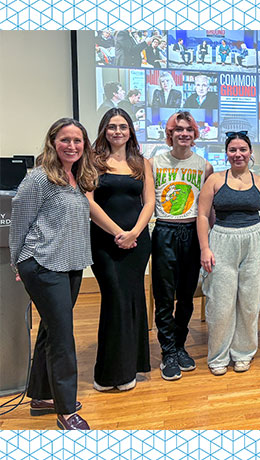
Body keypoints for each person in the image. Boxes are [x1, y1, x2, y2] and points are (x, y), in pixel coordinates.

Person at [9, 118, 98, 430]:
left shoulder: (78, 178)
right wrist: (18, 262)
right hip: (43, 263)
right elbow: (19, 222)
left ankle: (42, 395)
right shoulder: (38, 179)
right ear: (52, 142)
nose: (72, 146)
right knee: (63, 337)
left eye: (77, 140)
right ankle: (65, 412)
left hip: (71, 264)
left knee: (50, 329)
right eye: (65, 140)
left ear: (84, 145)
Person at [197, 131, 260, 375]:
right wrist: (205, 248)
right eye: (233, 150)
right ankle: (218, 355)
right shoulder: (215, 180)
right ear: (226, 153)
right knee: (220, 304)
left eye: (243, 149)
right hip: (222, 240)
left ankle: (243, 353)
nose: (238, 154)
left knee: (249, 303)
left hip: (255, 241)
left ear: (251, 152)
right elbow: (202, 215)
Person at [88, 108, 154, 391]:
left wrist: (134, 233)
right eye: (112, 126)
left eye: (123, 127)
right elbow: (88, 202)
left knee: (132, 299)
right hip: (104, 241)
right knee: (114, 299)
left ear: (131, 131)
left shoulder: (142, 163)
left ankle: (130, 369)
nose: (117, 131)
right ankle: (107, 373)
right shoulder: (92, 162)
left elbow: (149, 202)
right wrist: (118, 233)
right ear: (104, 130)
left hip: (137, 242)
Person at [151, 111, 213, 380]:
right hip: (164, 230)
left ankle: (179, 345)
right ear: (170, 134)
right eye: (178, 130)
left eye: (189, 129)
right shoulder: (154, 163)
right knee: (164, 296)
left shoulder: (204, 166)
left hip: (192, 231)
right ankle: (167, 352)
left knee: (187, 295)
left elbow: (206, 210)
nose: (184, 134)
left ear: (195, 134)